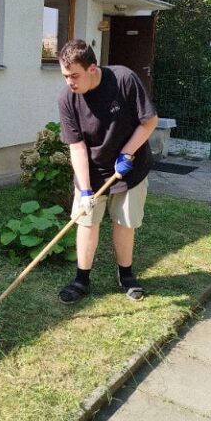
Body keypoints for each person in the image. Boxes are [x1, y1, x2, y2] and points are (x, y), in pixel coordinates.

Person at [55, 39, 158, 304]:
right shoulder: (68, 99)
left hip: (129, 167)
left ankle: (126, 276)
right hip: (91, 169)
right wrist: (87, 189)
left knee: (124, 222)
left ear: (92, 68)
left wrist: (127, 153)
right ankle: (81, 279)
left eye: (74, 75)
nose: (70, 82)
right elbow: (76, 146)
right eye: (65, 76)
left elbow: (149, 121)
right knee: (87, 222)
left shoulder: (124, 80)